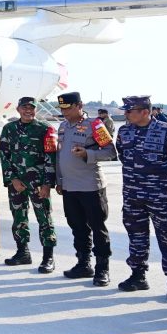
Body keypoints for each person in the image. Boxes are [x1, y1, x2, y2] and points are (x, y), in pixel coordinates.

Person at [116, 95, 167, 303]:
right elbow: (122, 155)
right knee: (136, 237)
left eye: (130, 111)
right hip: (132, 195)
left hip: (160, 196)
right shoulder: (124, 131)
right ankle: (138, 276)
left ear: (145, 111)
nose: (126, 114)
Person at [55, 92, 117, 286]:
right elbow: (60, 156)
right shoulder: (63, 126)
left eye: (68, 108)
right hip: (69, 187)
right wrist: (59, 180)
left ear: (79, 105)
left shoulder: (95, 125)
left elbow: (110, 151)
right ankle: (84, 264)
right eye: (62, 109)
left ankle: (102, 269)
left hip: (90, 186)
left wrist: (87, 153)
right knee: (78, 227)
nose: (64, 112)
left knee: (98, 228)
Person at [0, 97, 58, 273]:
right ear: (18, 109)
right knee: (19, 217)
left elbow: (51, 157)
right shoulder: (9, 129)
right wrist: (12, 179)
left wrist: (48, 184)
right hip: (17, 183)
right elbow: (4, 155)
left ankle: (48, 258)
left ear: (35, 110)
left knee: (45, 219)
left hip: (38, 184)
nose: (28, 111)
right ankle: (22, 252)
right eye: (24, 108)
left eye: (31, 108)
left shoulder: (45, 129)